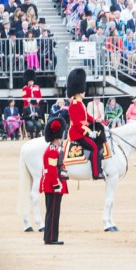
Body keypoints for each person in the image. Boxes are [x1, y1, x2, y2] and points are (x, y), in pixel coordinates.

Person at [67, 68, 102, 179]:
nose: (84, 91)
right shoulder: (74, 104)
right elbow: (77, 124)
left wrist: (96, 121)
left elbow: (86, 116)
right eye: (83, 89)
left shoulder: (80, 103)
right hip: (77, 134)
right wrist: (89, 132)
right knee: (95, 147)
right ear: (79, 90)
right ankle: (96, 173)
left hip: (82, 131)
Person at [41, 117, 68, 245]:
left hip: (53, 185)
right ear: (57, 137)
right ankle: (51, 238)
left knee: (53, 212)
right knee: (53, 212)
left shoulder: (54, 150)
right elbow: (51, 171)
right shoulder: (52, 151)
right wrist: (57, 185)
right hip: (53, 186)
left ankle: (51, 236)